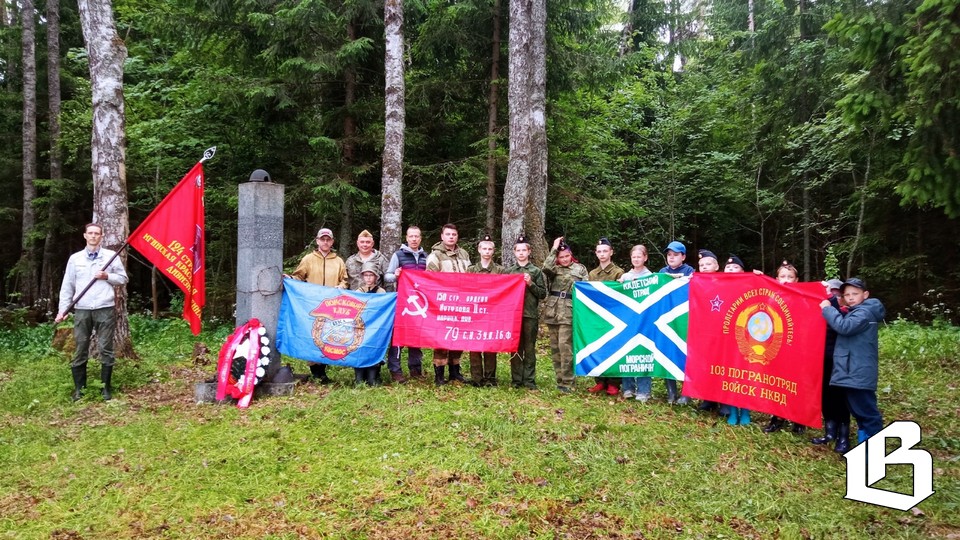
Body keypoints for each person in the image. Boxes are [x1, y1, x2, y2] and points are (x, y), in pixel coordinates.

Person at [55, 223, 129, 401]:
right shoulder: (75, 259)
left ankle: (105, 389)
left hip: (105, 308)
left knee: (106, 348)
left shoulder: (110, 257)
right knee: (80, 348)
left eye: (97, 233)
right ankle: (80, 389)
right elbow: (67, 287)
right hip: (82, 309)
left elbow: (123, 278)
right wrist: (62, 310)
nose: (94, 236)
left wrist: (107, 276)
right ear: (85, 236)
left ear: (102, 236)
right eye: (91, 233)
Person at [820, 277, 886, 450]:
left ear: (865, 294)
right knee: (859, 411)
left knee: (866, 411)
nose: (850, 297)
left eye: (854, 294)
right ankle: (865, 445)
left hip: (858, 372)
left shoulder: (863, 313)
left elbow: (843, 326)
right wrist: (829, 297)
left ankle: (875, 450)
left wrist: (827, 309)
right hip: (852, 371)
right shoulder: (856, 311)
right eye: (847, 294)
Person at [288, 227, 348, 383]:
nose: (326, 242)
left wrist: (341, 286)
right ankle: (315, 372)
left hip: (331, 307)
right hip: (312, 305)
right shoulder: (308, 259)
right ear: (317, 241)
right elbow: (298, 277)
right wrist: (288, 279)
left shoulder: (338, 261)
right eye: (323, 239)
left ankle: (323, 372)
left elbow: (345, 280)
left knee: (327, 337)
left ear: (332, 241)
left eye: (328, 239)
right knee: (313, 337)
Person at [762, 262, 809, 434]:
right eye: (783, 277)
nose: (786, 280)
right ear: (776, 279)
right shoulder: (771, 297)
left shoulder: (803, 297)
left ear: (797, 280)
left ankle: (799, 419)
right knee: (776, 382)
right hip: (777, 348)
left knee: (796, 382)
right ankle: (777, 417)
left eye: (790, 277)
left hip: (797, 349)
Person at [425, 223, 471, 385]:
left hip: (462, 302)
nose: (451, 237)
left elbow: (471, 276)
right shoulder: (435, 256)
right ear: (442, 236)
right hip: (443, 303)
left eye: (454, 234)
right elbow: (430, 280)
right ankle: (439, 374)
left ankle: (455, 372)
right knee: (442, 339)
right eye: (448, 234)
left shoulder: (464, 254)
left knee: (459, 336)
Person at [543, 237, 588, 392]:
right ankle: (559, 379)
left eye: (566, 256)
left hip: (568, 311)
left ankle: (569, 381)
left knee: (565, 346)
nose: (564, 259)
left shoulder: (580, 269)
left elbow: (587, 289)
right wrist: (554, 248)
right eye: (561, 257)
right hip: (553, 310)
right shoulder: (554, 269)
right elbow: (545, 266)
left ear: (571, 255)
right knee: (555, 348)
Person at [811, 278, 852, 451]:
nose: (833, 295)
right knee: (825, 394)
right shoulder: (819, 305)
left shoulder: (849, 310)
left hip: (841, 358)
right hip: (822, 357)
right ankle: (830, 431)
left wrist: (830, 303)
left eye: (836, 292)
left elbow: (841, 323)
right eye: (830, 291)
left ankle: (844, 435)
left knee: (840, 395)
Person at [383, 225, 428, 382]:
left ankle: (415, 368)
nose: (414, 239)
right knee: (398, 337)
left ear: (420, 238)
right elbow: (387, 276)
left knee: (416, 336)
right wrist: (395, 275)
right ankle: (395, 369)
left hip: (420, 303)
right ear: (406, 238)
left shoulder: (425, 257)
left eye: (417, 236)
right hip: (402, 303)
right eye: (411, 236)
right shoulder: (398, 255)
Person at [505, 234, 547, 390]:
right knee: (515, 347)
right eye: (518, 250)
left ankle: (529, 380)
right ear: (514, 252)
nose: (521, 253)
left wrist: (530, 284)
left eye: (524, 250)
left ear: (529, 252)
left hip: (529, 315)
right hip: (513, 316)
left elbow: (543, 294)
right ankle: (516, 380)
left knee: (529, 348)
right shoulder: (509, 272)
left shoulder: (535, 271)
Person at [587, 237, 625, 396]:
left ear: (611, 252)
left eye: (605, 251)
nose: (602, 254)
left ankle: (614, 382)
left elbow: (622, 295)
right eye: (599, 252)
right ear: (596, 254)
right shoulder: (592, 273)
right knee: (598, 347)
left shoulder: (618, 272)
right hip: (597, 317)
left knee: (614, 347)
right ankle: (600, 380)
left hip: (614, 316)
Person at [658, 241, 694, 404]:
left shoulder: (690, 272)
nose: (672, 258)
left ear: (683, 257)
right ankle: (671, 392)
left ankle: (686, 393)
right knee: (668, 353)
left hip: (684, 320)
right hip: (666, 319)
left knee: (686, 355)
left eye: (676, 255)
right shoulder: (662, 272)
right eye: (669, 255)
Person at [466, 234, 503, 386]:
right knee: (474, 346)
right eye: (484, 248)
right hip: (475, 313)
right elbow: (466, 290)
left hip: (492, 313)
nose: (487, 251)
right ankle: (476, 378)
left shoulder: (500, 270)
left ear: (493, 251)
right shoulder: (471, 270)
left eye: (490, 249)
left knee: (490, 345)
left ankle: (490, 378)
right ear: (479, 250)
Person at [619, 245, 653, 400]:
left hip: (645, 320)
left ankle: (644, 390)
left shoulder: (651, 276)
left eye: (639, 256)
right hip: (629, 320)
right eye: (634, 257)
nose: (636, 259)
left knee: (643, 353)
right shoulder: (625, 276)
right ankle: (628, 387)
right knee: (627, 351)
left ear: (645, 258)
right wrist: (621, 285)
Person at [723, 255, 751, 426]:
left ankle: (746, 410)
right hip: (725, 337)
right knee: (729, 374)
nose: (731, 270)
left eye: (735, 267)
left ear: (742, 271)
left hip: (746, 336)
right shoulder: (718, 285)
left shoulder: (750, 284)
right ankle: (732, 411)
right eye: (728, 267)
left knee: (745, 374)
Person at [695, 249, 722, 411]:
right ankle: (708, 398)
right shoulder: (695, 281)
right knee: (705, 365)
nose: (705, 267)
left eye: (708, 264)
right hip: (702, 331)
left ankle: (723, 400)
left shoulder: (725, 281)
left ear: (717, 265)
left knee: (720, 364)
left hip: (721, 331)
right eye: (701, 265)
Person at [353, 261, 386, 386]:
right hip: (361, 326)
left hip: (376, 327)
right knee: (360, 349)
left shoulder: (381, 292)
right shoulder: (358, 291)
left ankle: (373, 376)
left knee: (374, 349)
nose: (368, 278)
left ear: (376, 277)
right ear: (362, 277)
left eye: (371, 275)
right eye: (366, 275)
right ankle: (359, 377)